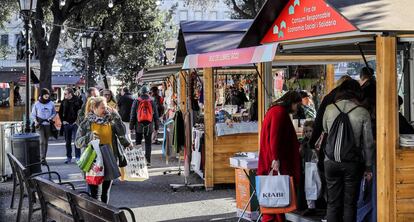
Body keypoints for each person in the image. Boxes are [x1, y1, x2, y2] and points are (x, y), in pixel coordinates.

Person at [322, 79, 374, 222]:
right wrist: (368, 167)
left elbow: (325, 130)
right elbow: (368, 143)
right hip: (352, 163)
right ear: (357, 93)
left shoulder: (330, 109)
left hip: (330, 162)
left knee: (332, 203)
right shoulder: (362, 112)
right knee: (350, 204)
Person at [75, 97, 132, 203]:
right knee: (95, 194)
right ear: (94, 108)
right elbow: (77, 142)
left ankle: (105, 216)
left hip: (109, 159)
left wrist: (117, 116)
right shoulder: (86, 123)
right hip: (93, 162)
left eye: (106, 107)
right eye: (102, 108)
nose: (105, 110)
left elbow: (121, 132)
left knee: (105, 193)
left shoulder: (111, 120)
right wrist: (89, 137)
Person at [258, 91, 302, 222]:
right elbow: (275, 137)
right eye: (297, 105)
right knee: (276, 196)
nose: (297, 108)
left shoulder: (275, 110)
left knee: (274, 199)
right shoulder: (280, 112)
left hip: (271, 158)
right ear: (292, 102)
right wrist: (275, 158)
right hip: (275, 161)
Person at [130, 86, 159, 166]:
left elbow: (133, 115)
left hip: (138, 125)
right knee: (148, 143)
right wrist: (157, 127)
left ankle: (139, 160)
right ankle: (148, 161)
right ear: (147, 92)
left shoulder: (136, 101)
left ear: (140, 92)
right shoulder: (152, 101)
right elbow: (156, 115)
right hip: (149, 126)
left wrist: (131, 127)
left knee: (138, 142)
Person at [31, 88, 57, 163]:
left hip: (48, 124)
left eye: (48, 94)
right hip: (40, 124)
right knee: (41, 141)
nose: (47, 96)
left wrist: (50, 118)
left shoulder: (51, 103)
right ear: (42, 95)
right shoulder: (37, 104)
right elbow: (33, 115)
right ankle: (41, 158)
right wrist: (35, 121)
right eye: (45, 94)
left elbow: (54, 113)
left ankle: (44, 157)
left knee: (46, 142)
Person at [59, 88, 83, 164]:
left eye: (65, 94)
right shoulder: (63, 101)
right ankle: (68, 157)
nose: (64, 95)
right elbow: (60, 112)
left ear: (70, 94)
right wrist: (63, 121)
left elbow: (82, 112)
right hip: (67, 124)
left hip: (76, 123)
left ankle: (78, 157)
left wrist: (77, 121)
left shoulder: (78, 101)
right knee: (67, 142)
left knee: (77, 141)